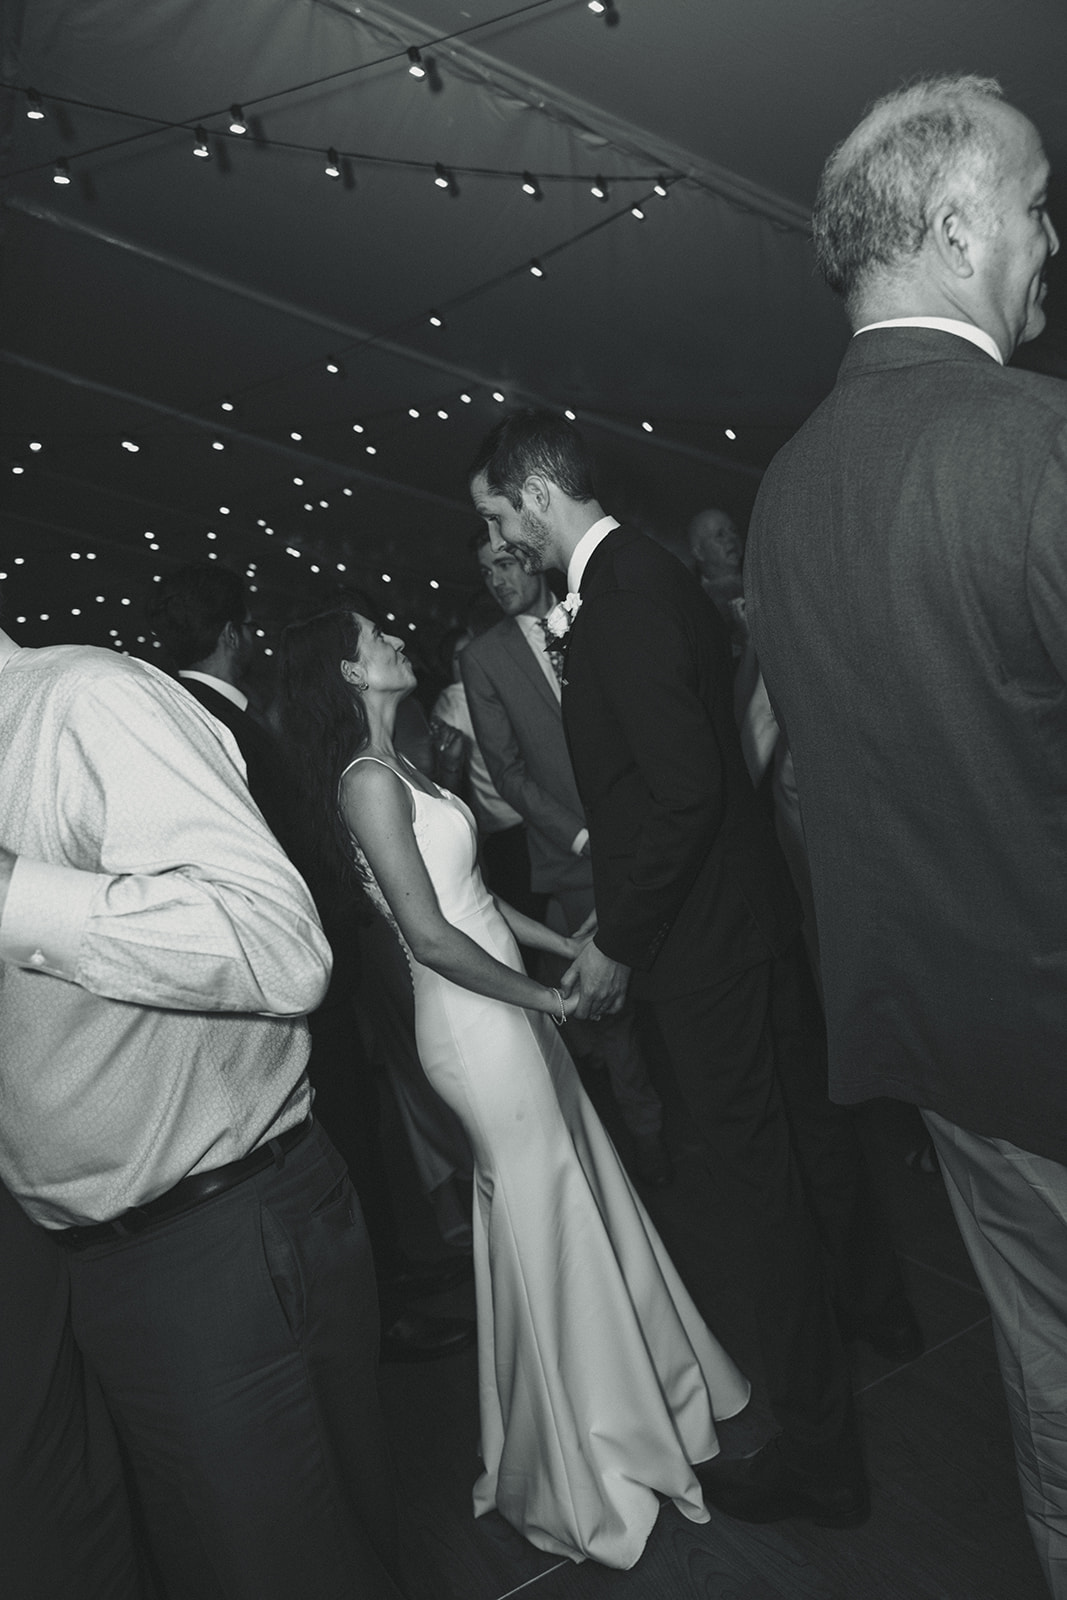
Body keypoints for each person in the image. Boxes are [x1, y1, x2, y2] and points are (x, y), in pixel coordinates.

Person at [469, 409, 922, 1531]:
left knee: (755, 1186)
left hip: (700, 948)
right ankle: (879, 1312)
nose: (492, 537)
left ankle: (821, 1454)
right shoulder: (652, 571)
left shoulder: (616, 596)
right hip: (748, 919)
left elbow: (678, 791)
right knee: (812, 1135)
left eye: (492, 514)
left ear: (533, 495)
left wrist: (618, 937)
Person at [745, 73, 1067, 1597]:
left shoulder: (782, 492)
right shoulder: (1031, 443)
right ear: (953, 228)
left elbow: (823, 784)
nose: (1048, 237)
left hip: (944, 1056)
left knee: (1047, 1381)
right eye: (1030, 201)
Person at [278, 606, 752, 1570]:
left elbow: (481, 905)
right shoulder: (366, 783)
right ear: (347, 673)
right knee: (544, 1210)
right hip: (470, 1025)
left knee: (571, 1190)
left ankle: (629, 1404)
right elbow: (430, 938)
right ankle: (590, 1455)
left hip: (506, 1007)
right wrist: (551, 997)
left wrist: (567, 947)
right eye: (376, 641)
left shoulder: (401, 766)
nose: (395, 645)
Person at [0, 612, 407, 1600]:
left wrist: (16, 892)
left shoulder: (84, 703)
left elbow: (280, 943)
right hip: (98, 1265)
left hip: (216, 1237)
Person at [150, 563, 475, 1364]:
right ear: (233, 635)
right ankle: (380, 1311)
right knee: (349, 1142)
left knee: (364, 1129)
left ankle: (393, 1282)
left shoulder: (209, 716)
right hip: (299, 976)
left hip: (328, 964)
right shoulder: (213, 724)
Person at [460, 527, 673, 1186]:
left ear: (529, 557)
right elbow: (510, 771)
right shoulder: (484, 658)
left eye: (503, 565)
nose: (496, 581)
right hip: (573, 854)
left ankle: (693, 1113)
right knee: (611, 1010)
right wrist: (584, 836)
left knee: (673, 979)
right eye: (485, 574)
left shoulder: (593, 610)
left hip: (649, 831)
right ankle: (651, 1143)